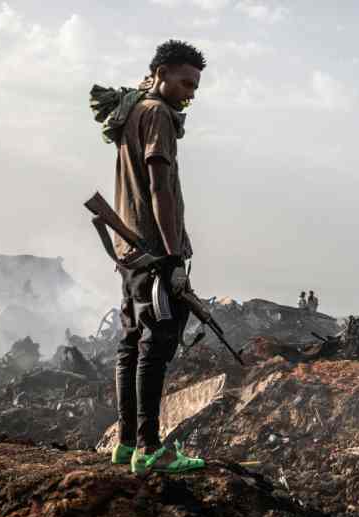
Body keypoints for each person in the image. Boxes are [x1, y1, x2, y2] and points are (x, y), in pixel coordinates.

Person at [102, 40, 206, 475]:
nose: (191, 92)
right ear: (161, 72)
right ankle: (150, 449)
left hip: (129, 251)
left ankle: (126, 445)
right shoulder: (158, 114)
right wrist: (172, 257)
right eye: (186, 82)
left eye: (196, 86)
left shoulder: (132, 110)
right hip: (154, 252)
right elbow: (160, 187)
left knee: (130, 346)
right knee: (156, 346)